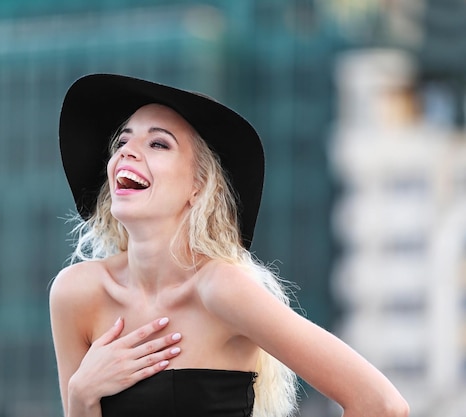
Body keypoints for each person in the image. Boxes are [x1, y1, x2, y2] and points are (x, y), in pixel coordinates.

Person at [49, 74, 409, 417]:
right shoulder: (76, 293)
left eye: (158, 143)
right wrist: (82, 392)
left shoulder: (221, 289)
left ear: (198, 185)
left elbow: (380, 404)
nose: (127, 153)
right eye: (122, 142)